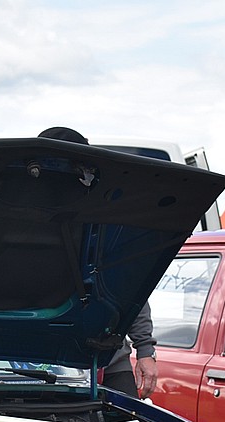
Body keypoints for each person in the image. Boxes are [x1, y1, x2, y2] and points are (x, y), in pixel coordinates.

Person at [34, 126, 158, 399]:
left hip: (109, 359)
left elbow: (131, 286)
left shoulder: (108, 223)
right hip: (38, 364)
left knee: (130, 421)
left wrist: (145, 350)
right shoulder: (20, 225)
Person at [102, 301, 158, 399]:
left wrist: (145, 351)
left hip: (114, 362)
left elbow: (137, 300)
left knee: (129, 407)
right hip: (72, 368)